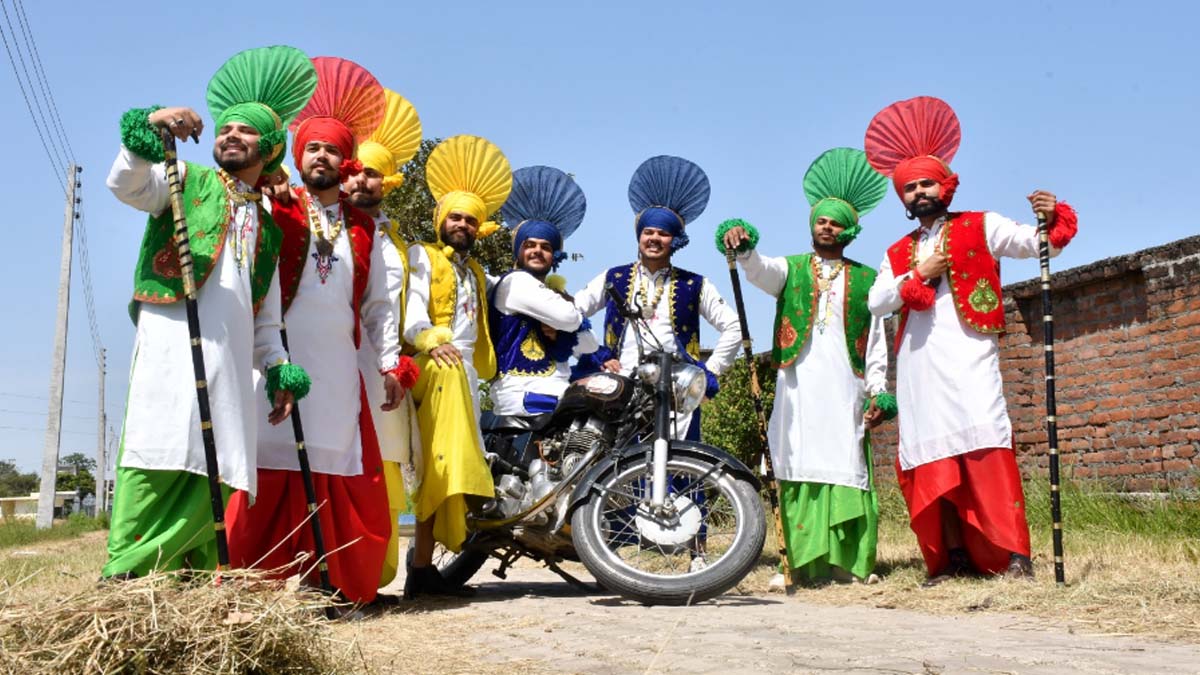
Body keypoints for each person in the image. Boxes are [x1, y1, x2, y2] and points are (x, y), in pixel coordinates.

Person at [102, 46, 315, 578]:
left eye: (245, 132)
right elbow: (125, 185)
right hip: (172, 350)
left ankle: (185, 598)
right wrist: (150, 124)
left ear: (268, 149)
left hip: (229, 373)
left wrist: (277, 365)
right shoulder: (185, 181)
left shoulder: (268, 230)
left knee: (213, 471)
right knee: (158, 452)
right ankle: (127, 587)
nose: (230, 136)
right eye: (226, 128)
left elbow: (265, 317)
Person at [863, 96, 1079, 585]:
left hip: (970, 355)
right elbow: (877, 303)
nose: (919, 192)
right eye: (910, 187)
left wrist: (1050, 215)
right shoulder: (897, 251)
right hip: (918, 366)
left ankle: (1011, 557)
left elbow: (1034, 243)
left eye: (926, 183)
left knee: (985, 442)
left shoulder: (981, 224)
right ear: (902, 198)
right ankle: (951, 559)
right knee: (931, 453)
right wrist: (919, 273)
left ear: (946, 185)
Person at [225, 57, 411, 605]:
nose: (322, 156)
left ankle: (334, 586)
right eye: (312, 148)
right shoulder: (273, 207)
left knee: (340, 461)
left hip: (338, 369)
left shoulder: (364, 228)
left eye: (331, 148)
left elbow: (377, 305)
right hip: (274, 360)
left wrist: (387, 363)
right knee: (270, 459)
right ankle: (257, 587)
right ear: (297, 154)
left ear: (345, 158)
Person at [719, 147, 896, 585]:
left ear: (850, 230)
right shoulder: (791, 269)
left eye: (836, 221)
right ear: (812, 224)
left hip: (845, 387)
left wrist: (878, 389)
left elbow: (876, 343)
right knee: (796, 460)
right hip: (798, 386)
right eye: (822, 220)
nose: (827, 226)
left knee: (845, 461)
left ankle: (848, 564)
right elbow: (759, 271)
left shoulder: (870, 279)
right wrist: (745, 247)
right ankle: (797, 563)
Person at [403, 135, 512, 598]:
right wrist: (431, 340)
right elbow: (411, 318)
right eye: (456, 217)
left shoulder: (478, 271)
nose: (463, 224)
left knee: (444, 468)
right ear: (440, 220)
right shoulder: (421, 256)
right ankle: (419, 567)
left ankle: (426, 573)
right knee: (436, 466)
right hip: (432, 368)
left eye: (471, 219)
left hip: (465, 377)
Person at [574, 155, 740, 439]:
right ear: (638, 236)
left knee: (677, 471)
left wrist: (707, 373)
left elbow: (734, 327)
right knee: (620, 473)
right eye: (648, 232)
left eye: (662, 234)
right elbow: (570, 314)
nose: (654, 238)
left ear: (674, 241)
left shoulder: (694, 284)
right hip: (620, 388)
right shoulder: (613, 277)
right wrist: (596, 354)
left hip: (676, 391)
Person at [344, 88, 424, 589]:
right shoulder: (310, 222)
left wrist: (397, 365)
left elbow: (394, 311)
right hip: (320, 361)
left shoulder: (397, 245)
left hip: (378, 369)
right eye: (355, 168)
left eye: (372, 172)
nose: (361, 179)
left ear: (386, 181)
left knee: (385, 469)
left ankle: (374, 574)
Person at [489, 165, 597, 417]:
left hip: (554, 390)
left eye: (545, 247)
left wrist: (565, 323)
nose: (537, 251)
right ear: (518, 250)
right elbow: (569, 318)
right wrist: (566, 319)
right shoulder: (515, 283)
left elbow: (589, 346)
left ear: (554, 256)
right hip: (522, 392)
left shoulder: (551, 294)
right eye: (530, 245)